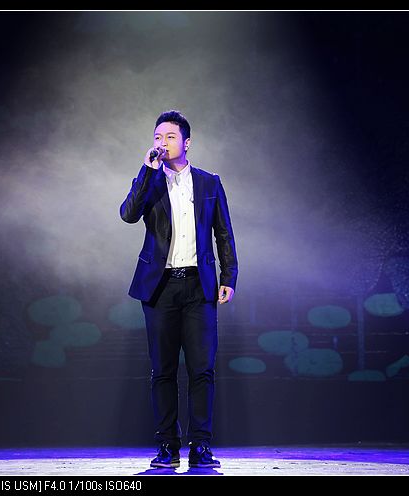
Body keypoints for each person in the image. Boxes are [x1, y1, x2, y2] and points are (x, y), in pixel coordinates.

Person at [120, 110, 238, 469]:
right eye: (157, 137)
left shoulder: (209, 182)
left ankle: (200, 446)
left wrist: (229, 276)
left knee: (202, 370)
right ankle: (167, 447)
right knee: (163, 370)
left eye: (170, 137)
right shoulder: (149, 180)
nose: (162, 143)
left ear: (186, 143)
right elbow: (128, 214)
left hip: (199, 286)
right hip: (160, 288)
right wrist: (147, 171)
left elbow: (223, 232)